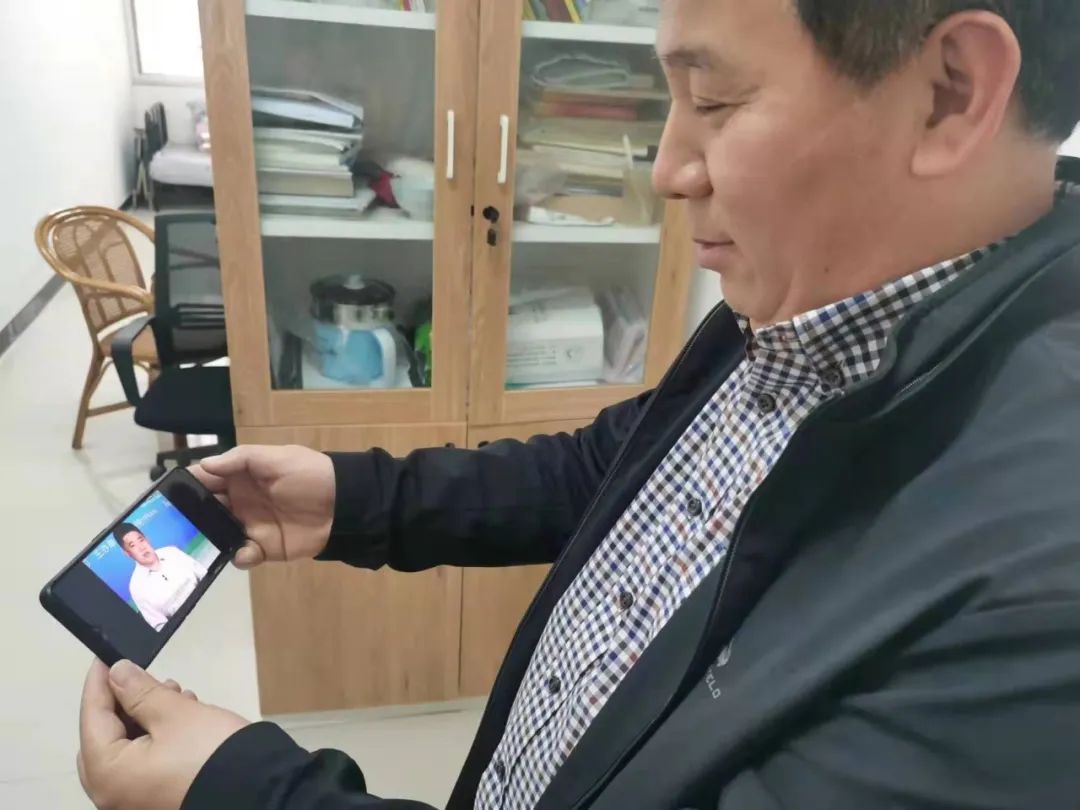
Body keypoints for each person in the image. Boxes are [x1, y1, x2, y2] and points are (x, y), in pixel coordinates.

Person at [77, 1, 1080, 808]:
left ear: (949, 94)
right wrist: (356, 499)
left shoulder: (1040, 592)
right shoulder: (804, 302)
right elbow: (616, 470)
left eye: (716, 99)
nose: (667, 168)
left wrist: (239, 793)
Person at [115, 523, 207, 632]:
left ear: (147, 539)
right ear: (127, 553)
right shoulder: (136, 587)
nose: (141, 547)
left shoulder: (172, 552)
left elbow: (204, 574)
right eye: (133, 545)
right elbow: (159, 626)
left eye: (141, 540)